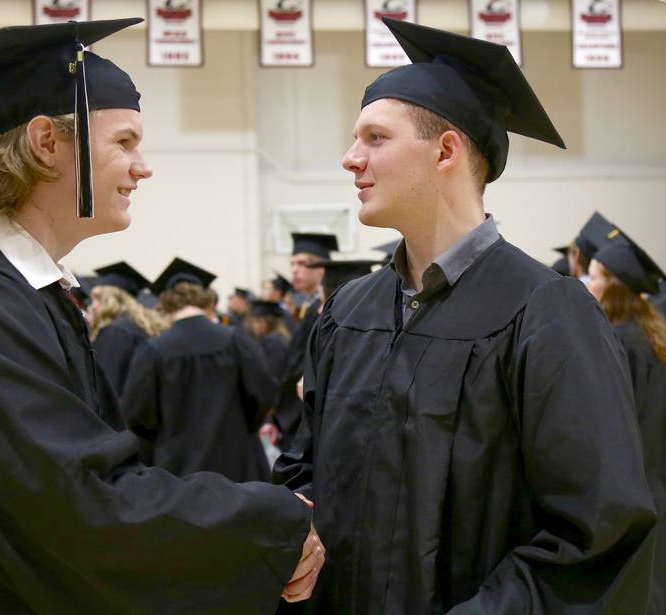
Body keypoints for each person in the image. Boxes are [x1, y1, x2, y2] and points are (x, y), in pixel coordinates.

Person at [0, 19, 324, 613]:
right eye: (125, 142)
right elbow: (75, 503)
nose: (143, 167)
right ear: (46, 143)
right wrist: (271, 521)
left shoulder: (19, 292)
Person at [273, 19, 654, 613]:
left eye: (375, 137)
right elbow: (306, 467)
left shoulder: (546, 313)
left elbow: (595, 533)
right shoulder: (350, 310)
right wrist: (293, 528)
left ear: (446, 150)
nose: (351, 159)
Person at [121, 258, 277, 483]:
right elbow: (264, 394)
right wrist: (242, 427)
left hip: (178, 471)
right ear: (206, 301)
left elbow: (137, 415)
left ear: (165, 303)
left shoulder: (153, 350)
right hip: (238, 463)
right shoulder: (235, 340)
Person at [587, 236, 666, 615]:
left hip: (631, 492)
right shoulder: (654, 337)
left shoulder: (618, 344)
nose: (587, 285)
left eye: (594, 276)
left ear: (613, 286)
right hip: (658, 485)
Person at [273, 233, 338, 450]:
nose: (294, 270)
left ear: (322, 267)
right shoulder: (310, 308)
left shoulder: (333, 308)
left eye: (302, 263)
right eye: (292, 264)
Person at [88, 260, 167, 397]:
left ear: (112, 299)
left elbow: (107, 386)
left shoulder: (116, 332)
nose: (92, 306)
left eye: (97, 298)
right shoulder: (141, 326)